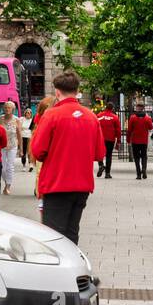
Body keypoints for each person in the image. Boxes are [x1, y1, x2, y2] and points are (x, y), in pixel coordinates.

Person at [30, 72, 104, 245]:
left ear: (57, 92)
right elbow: (99, 153)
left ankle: (58, 271)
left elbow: (38, 150)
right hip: (82, 185)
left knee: (53, 236)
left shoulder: (51, 115)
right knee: (72, 233)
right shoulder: (91, 117)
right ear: (77, 90)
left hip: (56, 184)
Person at [0, 102, 21, 195]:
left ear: (13, 109)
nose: (7, 109)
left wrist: (21, 149)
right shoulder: (0, 119)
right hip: (2, 146)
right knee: (2, 167)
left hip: (13, 145)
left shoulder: (17, 120)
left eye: (9, 108)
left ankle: (8, 185)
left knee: (10, 166)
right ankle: (6, 181)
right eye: (6, 108)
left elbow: (19, 134)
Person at [127, 103, 153, 179]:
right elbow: (151, 127)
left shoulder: (133, 118)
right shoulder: (147, 118)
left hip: (135, 140)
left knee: (136, 158)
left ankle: (138, 174)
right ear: (143, 108)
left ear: (137, 108)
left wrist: (128, 139)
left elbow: (129, 130)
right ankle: (144, 169)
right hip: (144, 141)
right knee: (144, 156)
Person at [96, 101, 122, 178]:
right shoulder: (115, 117)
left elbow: (95, 126)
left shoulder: (99, 116)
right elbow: (118, 130)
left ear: (106, 107)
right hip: (110, 139)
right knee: (108, 155)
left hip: (100, 138)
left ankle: (101, 165)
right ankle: (107, 173)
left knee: (100, 154)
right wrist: (119, 141)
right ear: (112, 108)